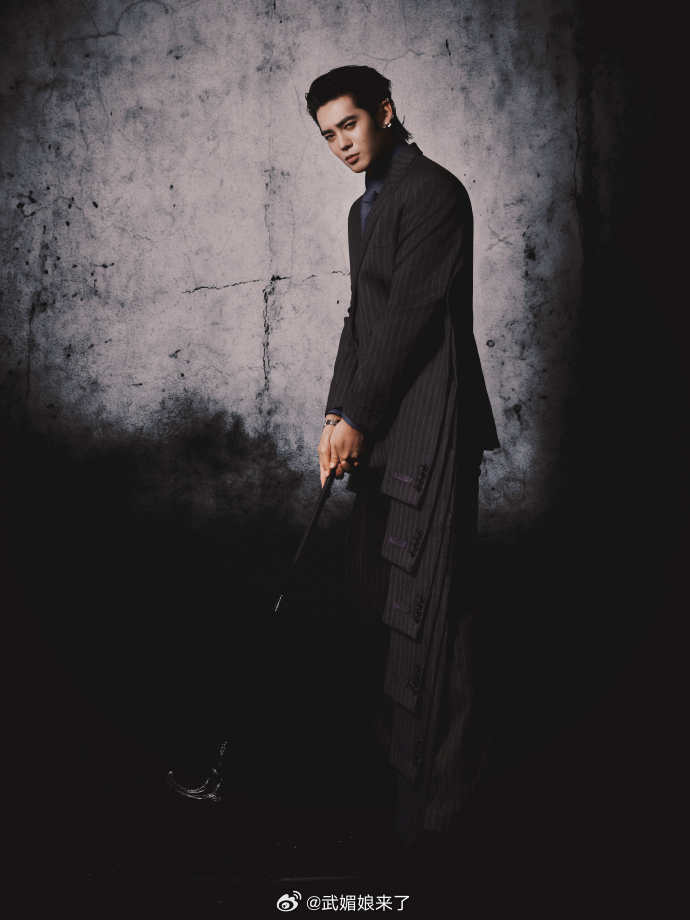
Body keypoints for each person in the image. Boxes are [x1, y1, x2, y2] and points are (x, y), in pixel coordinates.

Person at [305, 65, 500, 850]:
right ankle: (405, 801)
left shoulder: (434, 193)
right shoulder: (365, 209)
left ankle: (443, 816)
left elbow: (414, 316)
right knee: (386, 602)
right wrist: (336, 412)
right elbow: (364, 317)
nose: (341, 145)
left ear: (383, 112)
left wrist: (360, 414)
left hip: (432, 419)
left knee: (435, 610)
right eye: (328, 135)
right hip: (382, 425)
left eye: (349, 125)